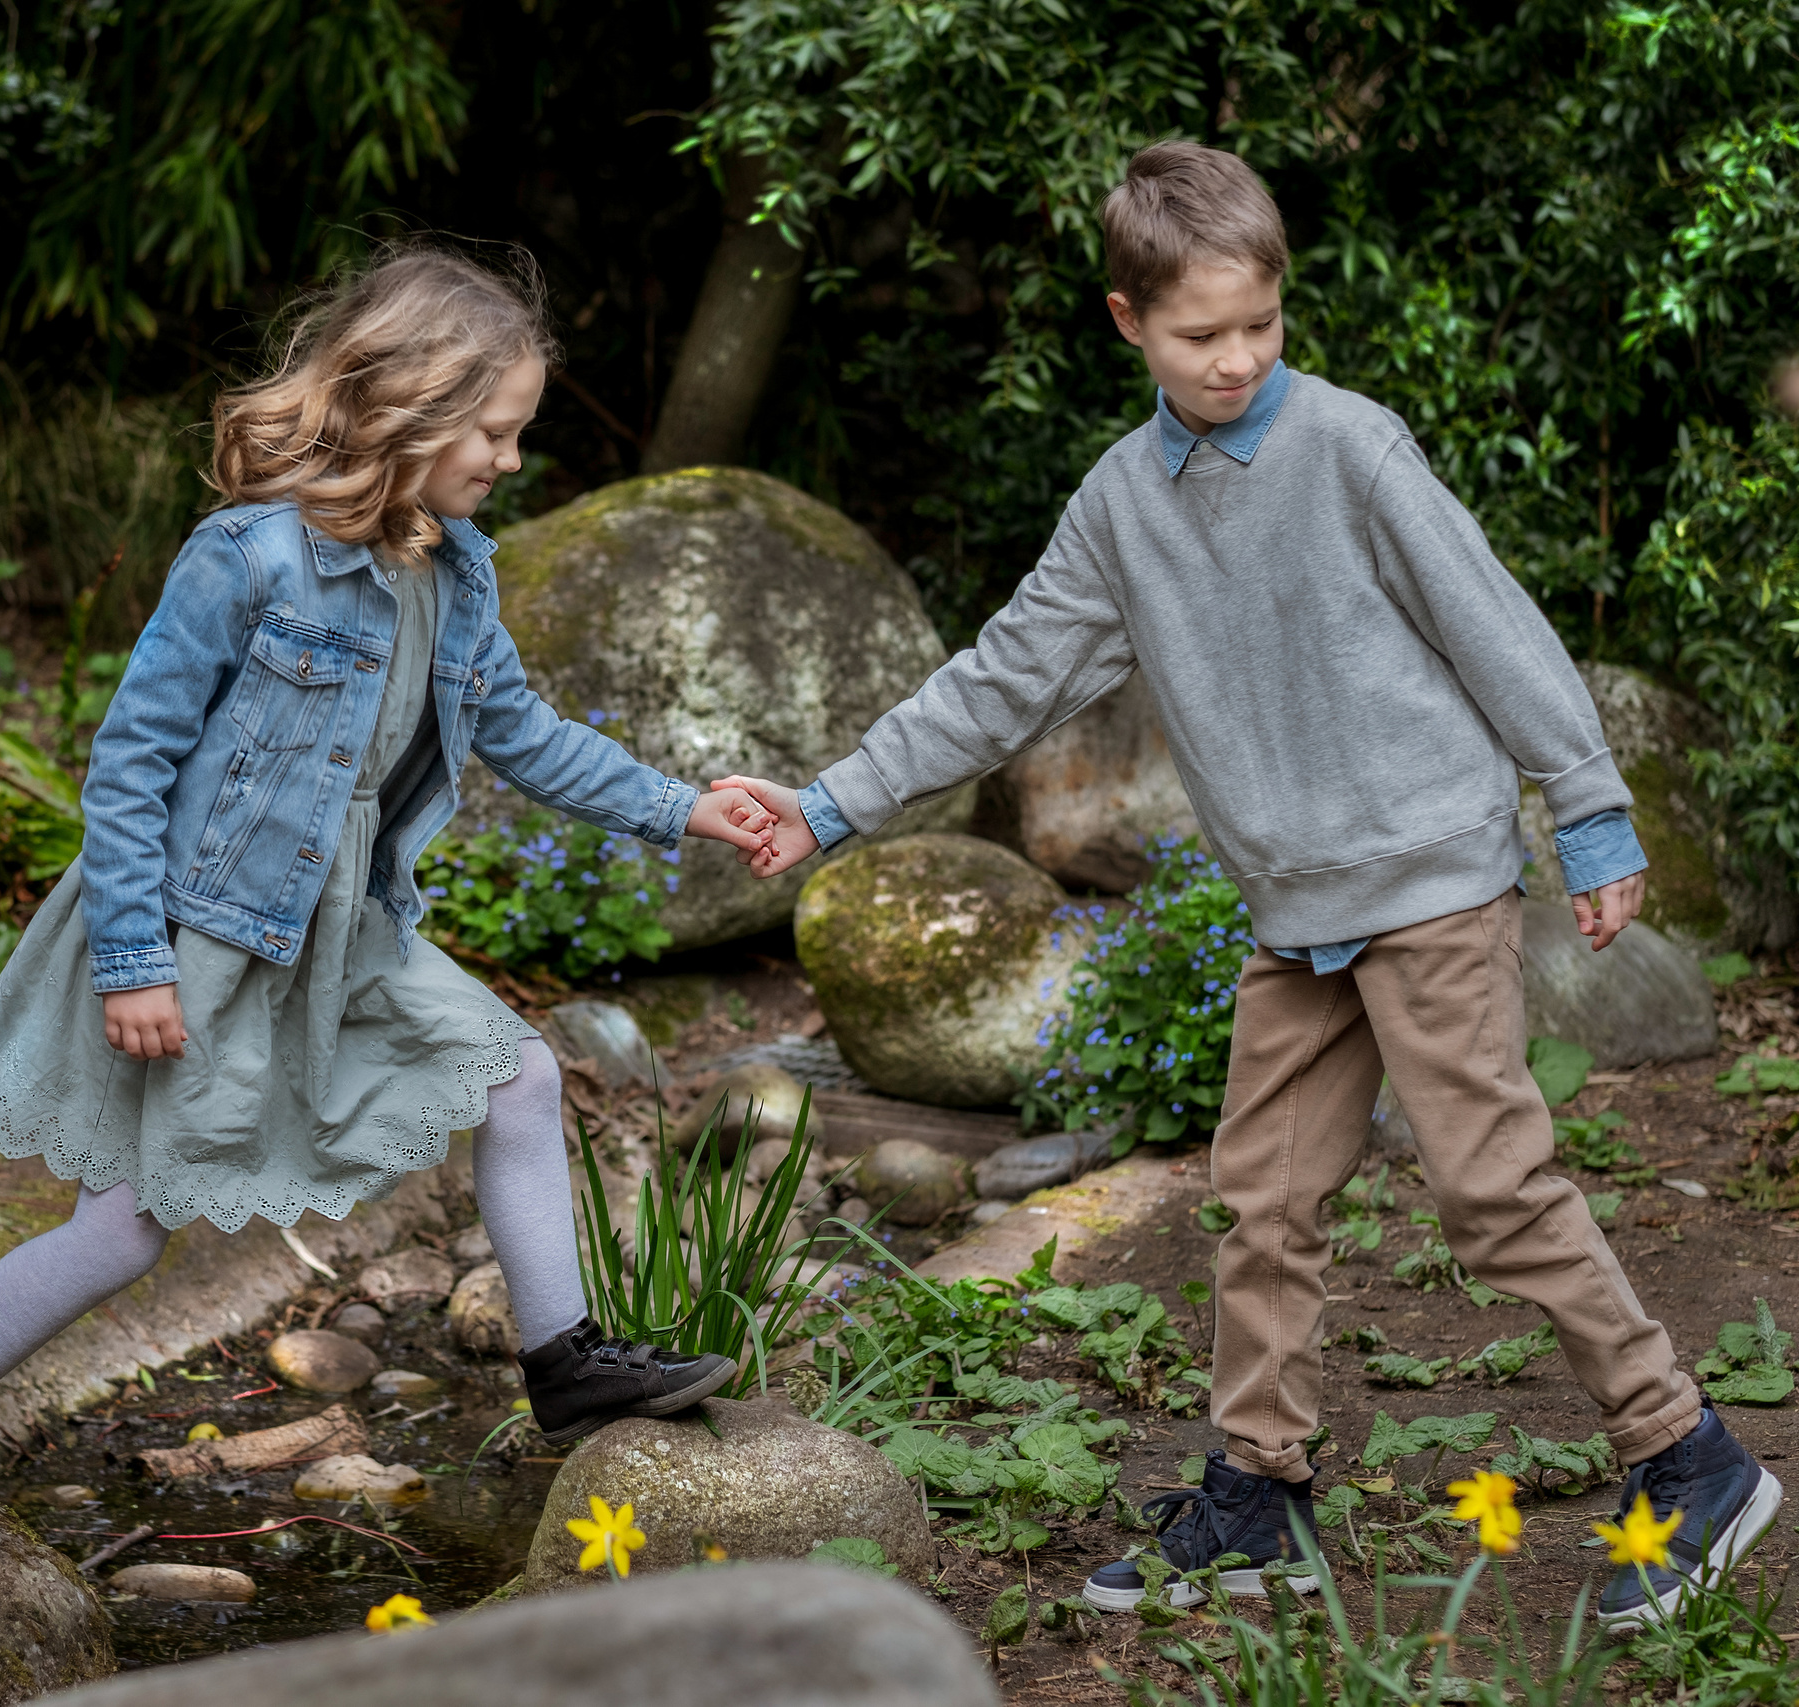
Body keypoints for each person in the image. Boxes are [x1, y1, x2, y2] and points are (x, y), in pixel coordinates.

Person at [720, 142, 1778, 1633]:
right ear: (1126, 324)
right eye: (1198, 335)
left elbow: (1497, 626)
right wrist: (830, 803)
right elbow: (1003, 679)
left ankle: (1691, 1451)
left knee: (1489, 1188)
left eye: (1258, 329)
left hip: (1429, 881)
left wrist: (1592, 812)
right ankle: (1260, 1493)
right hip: (1301, 917)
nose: (1233, 361)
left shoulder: (1353, 450)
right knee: (1262, 1202)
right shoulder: (1119, 507)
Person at [0, 247, 777, 1555]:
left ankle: (563, 1361)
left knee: (517, 1080)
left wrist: (685, 806)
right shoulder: (250, 560)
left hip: (348, 933)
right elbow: (132, 761)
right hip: (205, 934)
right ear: (407, 411)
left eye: (517, 433)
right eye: (495, 431)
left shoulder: (453, 577)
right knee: (125, 1227)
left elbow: (529, 735)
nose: (509, 458)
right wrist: (131, 959)